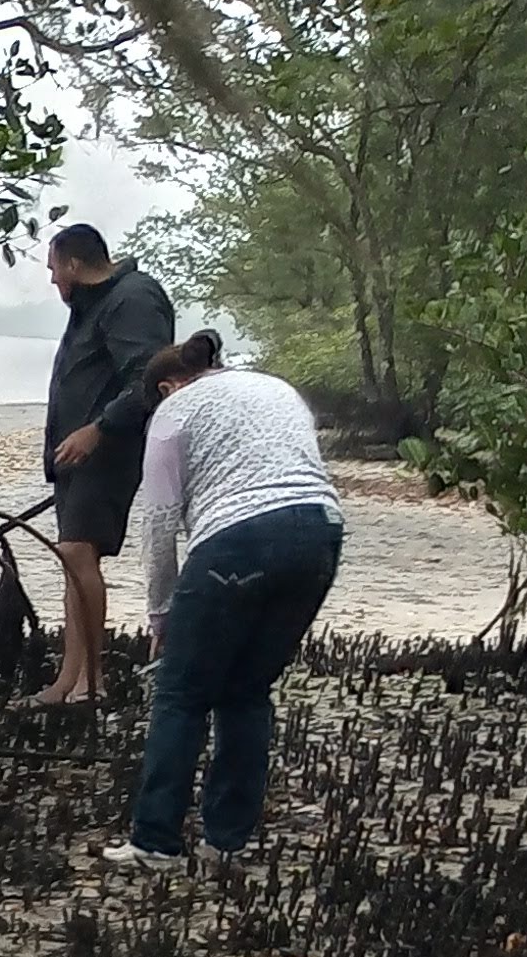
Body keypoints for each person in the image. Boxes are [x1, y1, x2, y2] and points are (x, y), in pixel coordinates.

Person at [102, 331, 344, 868]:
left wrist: (160, 614)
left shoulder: (173, 412)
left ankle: (155, 840)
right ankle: (226, 841)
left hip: (237, 540)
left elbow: (160, 521)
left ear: (167, 387)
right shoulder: (276, 389)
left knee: (180, 692)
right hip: (321, 531)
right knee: (247, 690)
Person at [34, 222, 177, 707]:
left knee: (77, 552)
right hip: (75, 452)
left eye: (55, 269)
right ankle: (68, 678)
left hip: (107, 447)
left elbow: (148, 377)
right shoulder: (89, 305)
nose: (53, 281)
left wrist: (97, 430)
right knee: (73, 556)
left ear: (74, 264)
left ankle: (92, 680)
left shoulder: (134, 299)